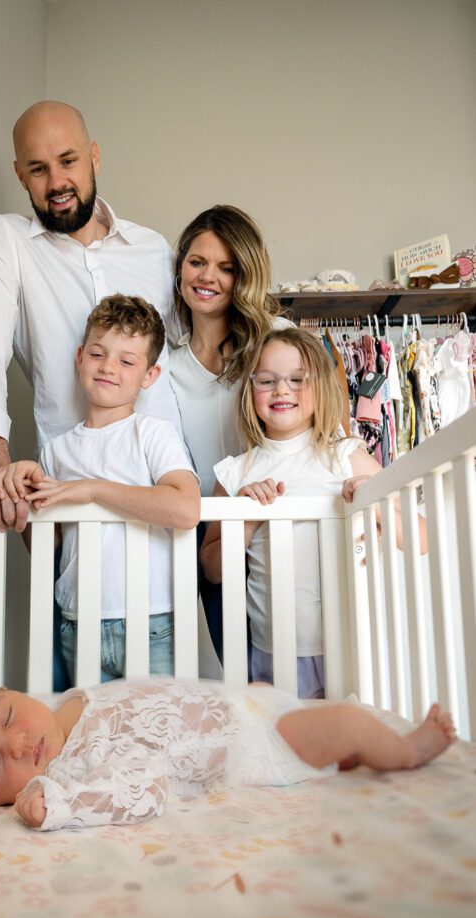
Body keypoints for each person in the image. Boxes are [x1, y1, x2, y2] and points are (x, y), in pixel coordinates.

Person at [0, 100, 183, 534]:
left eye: (69, 161)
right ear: (19, 174)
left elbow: (194, 355)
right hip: (68, 501)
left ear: (94, 156)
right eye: (38, 169)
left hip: (165, 494)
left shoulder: (152, 249)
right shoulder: (8, 242)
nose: (57, 182)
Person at [0, 674, 457, 830]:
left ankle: (345, 757)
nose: (18, 743)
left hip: (241, 704)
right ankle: (406, 750)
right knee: (347, 721)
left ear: (12, 692)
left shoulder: (65, 702)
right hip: (252, 744)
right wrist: (58, 804)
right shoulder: (70, 773)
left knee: (309, 716)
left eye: (9, 715)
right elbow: (144, 793)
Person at [200, 327, 429, 698]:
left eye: (297, 379)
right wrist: (246, 516)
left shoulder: (345, 455)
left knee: (353, 746)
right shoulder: (234, 473)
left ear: (320, 387)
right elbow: (212, 570)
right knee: (283, 748)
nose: (281, 390)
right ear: (250, 389)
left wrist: (373, 504)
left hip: (353, 643)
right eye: (267, 380)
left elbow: (420, 537)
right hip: (273, 650)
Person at [0, 294, 200, 684]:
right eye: (98, 354)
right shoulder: (56, 450)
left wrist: (93, 490)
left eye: (127, 361)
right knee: (90, 739)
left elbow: (185, 508)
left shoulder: (152, 433)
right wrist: (24, 491)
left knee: (161, 738)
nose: (108, 368)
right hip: (78, 622)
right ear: (80, 357)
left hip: (150, 622)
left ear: (149, 375)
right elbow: (46, 546)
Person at [168, 206, 292, 662]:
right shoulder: (164, 359)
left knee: (294, 668)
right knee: (240, 673)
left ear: (246, 276)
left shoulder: (278, 338)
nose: (208, 277)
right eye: (197, 262)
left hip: (273, 519)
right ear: (180, 266)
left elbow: (331, 435)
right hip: (206, 531)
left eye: (227, 268)